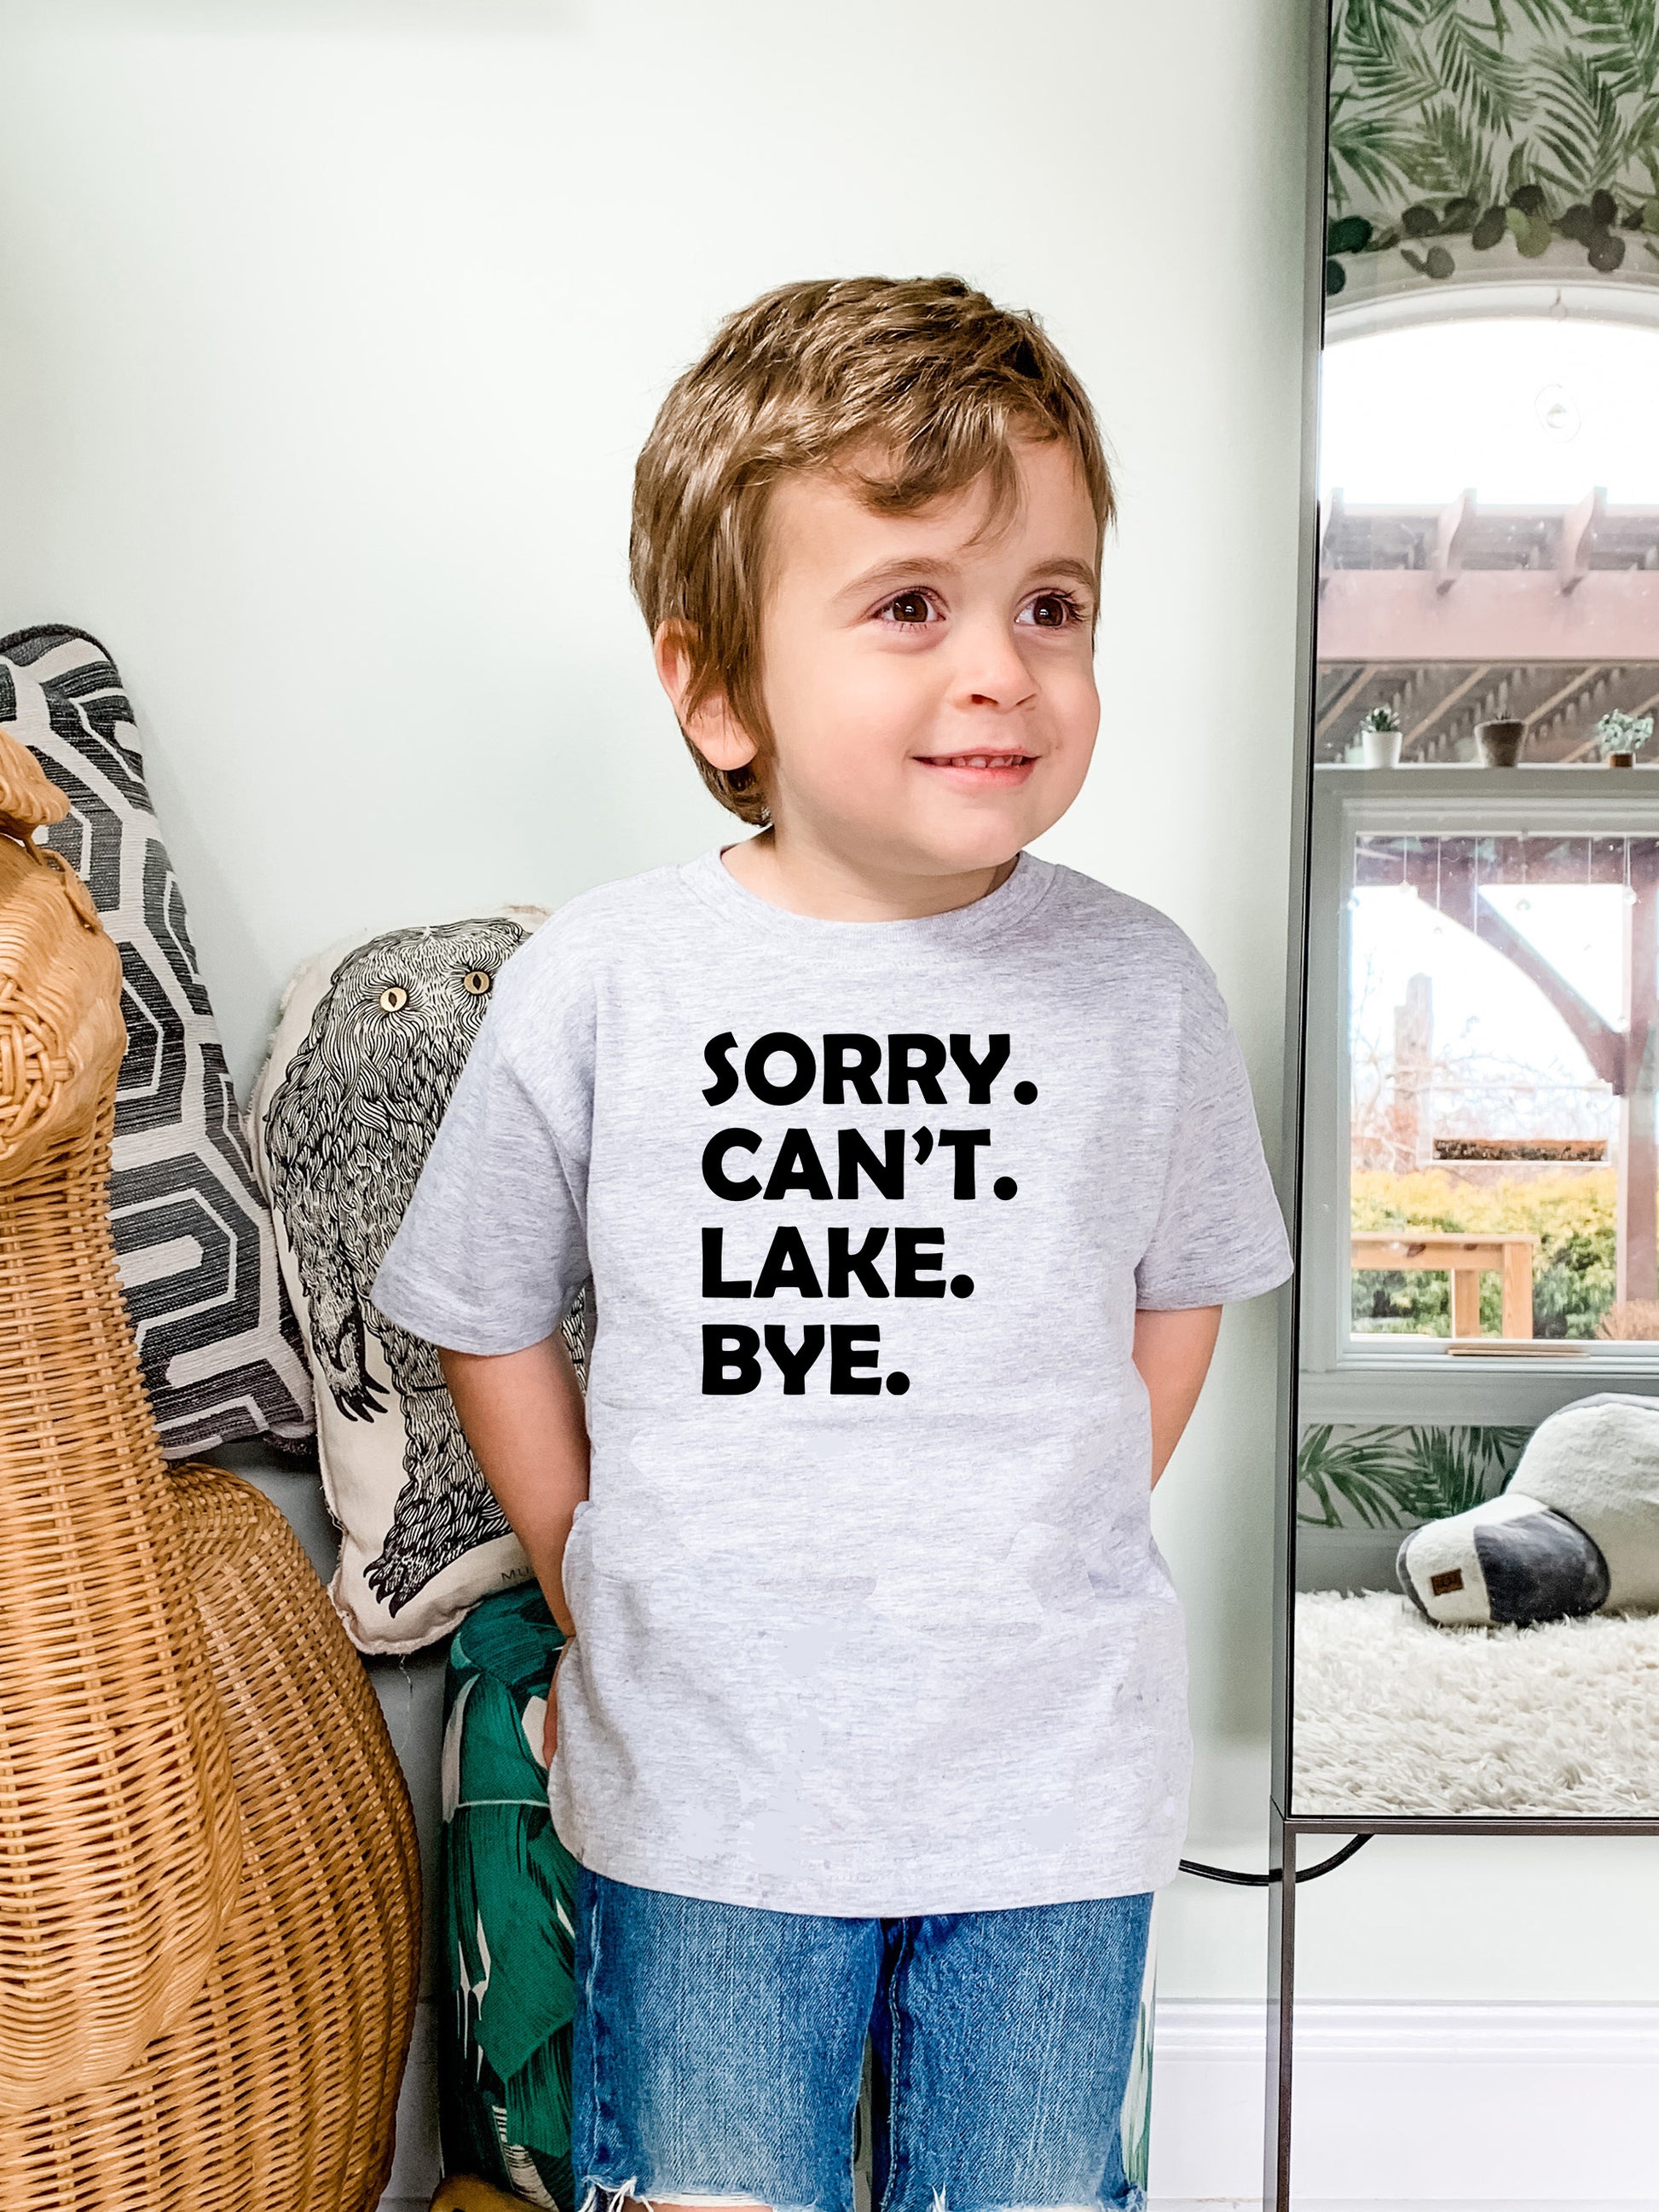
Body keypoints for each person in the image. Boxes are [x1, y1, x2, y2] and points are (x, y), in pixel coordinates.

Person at [373, 274, 1292, 2212]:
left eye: (1050, 602)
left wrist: (1058, 1498)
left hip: (1047, 1791)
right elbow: (478, 1305)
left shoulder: (1138, 984)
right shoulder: (607, 978)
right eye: (909, 604)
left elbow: (1183, 1278)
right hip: (703, 1781)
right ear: (716, 687)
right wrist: (583, 1553)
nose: (1003, 669)